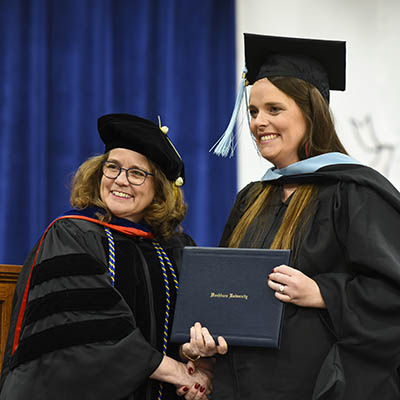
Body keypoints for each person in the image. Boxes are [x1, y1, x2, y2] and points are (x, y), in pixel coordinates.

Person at [181, 34, 400, 399]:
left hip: (319, 386)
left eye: (274, 109)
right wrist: (204, 349)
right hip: (242, 386)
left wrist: (323, 292)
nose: (258, 122)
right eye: (252, 112)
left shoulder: (353, 191)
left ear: (309, 112)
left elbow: (392, 293)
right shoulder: (251, 197)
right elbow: (226, 294)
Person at [0, 114, 211, 400]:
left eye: (137, 173)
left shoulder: (174, 249)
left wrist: (200, 364)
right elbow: (86, 328)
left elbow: (194, 325)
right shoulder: (71, 235)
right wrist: (173, 371)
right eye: (112, 167)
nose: (120, 181)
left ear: (159, 188)